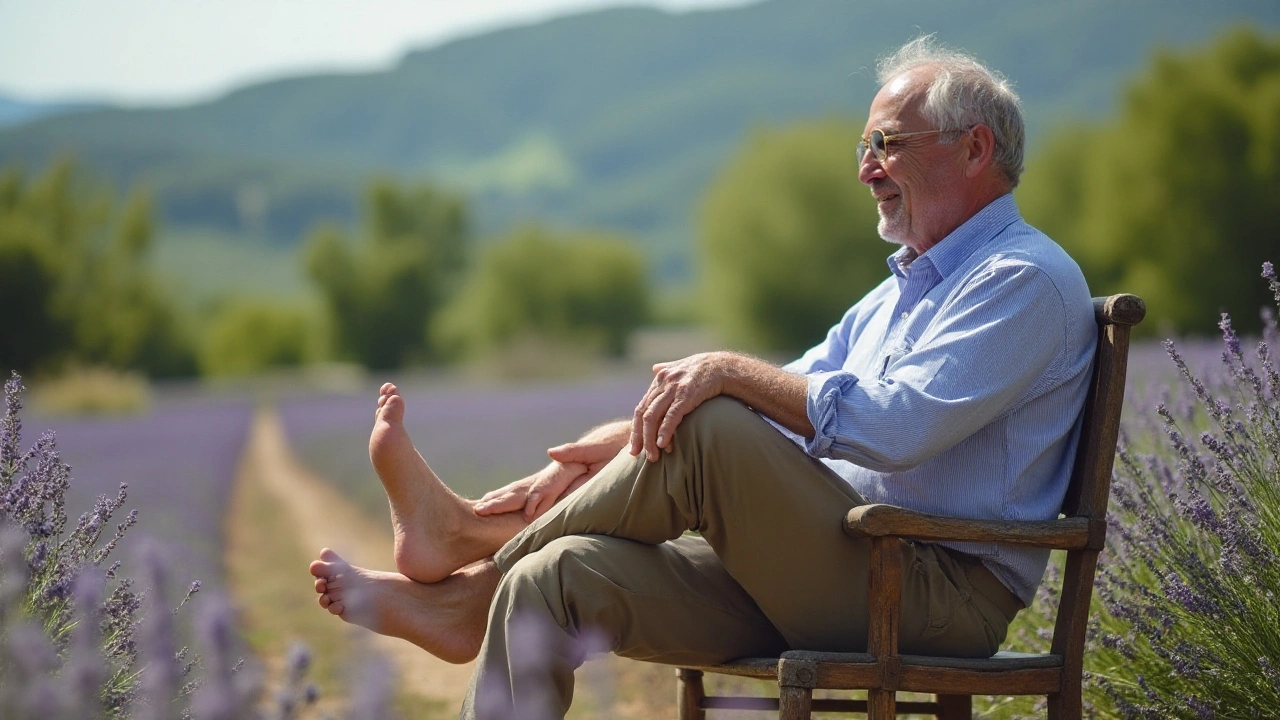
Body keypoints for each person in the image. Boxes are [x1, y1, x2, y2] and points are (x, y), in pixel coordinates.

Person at [308, 34, 1095, 719]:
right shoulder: (900, 291)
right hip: (822, 568)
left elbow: (891, 427)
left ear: (974, 147)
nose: (866, 171)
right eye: (864, 149)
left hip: (925, 592)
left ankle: (470, 564)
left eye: (886, 144)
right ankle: (488, 572)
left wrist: (715, 378)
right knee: (553, 581)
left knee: (714, 415)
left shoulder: (1019, 279)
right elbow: (786, 396)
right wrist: (626, 434)